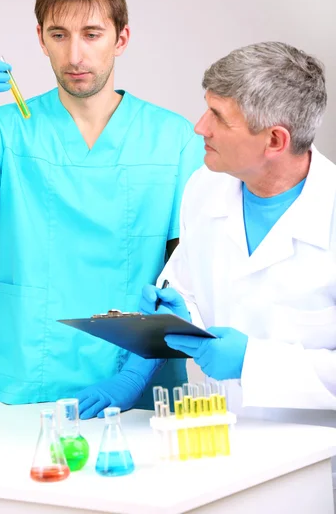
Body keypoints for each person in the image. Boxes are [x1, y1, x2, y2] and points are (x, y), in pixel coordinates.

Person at [0, 0, 204, 415]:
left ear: (121, 39)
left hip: (139, 384)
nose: (75, 56)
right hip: (27, 376)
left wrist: (134, 376)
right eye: (59, 35)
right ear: (40, 39)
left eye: (92, 34)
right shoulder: (5, 129)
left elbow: (190, 276)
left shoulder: (175, 138)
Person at [140, 41, 336, 494]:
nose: (199, 127)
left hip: (316, 473)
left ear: (275, 140)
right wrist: (179, 310)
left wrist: (253, 361)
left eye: (219, 117)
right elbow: (190, 282)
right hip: (221, 455)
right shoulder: (205, 187)